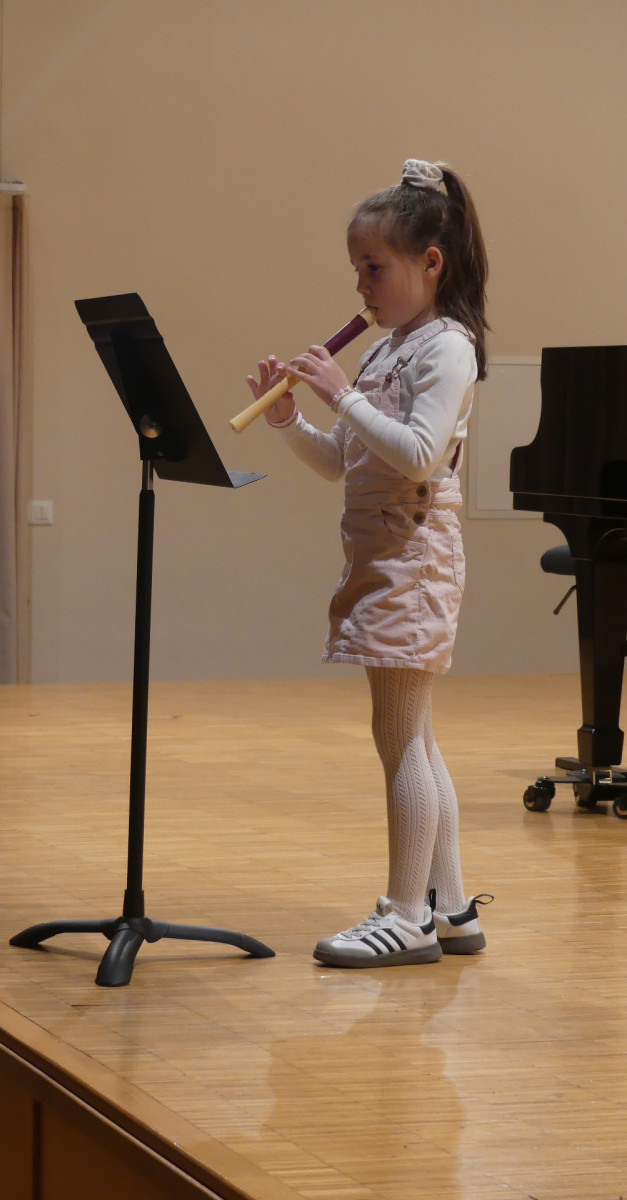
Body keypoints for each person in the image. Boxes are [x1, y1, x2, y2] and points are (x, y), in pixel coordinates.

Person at [246, 158, 492, 968]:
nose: (360, 285)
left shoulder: (446, 348)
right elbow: (346, 462)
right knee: (414, 735)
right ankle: (450, 909)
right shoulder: (390, 348)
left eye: (373, 267)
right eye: (356, 268)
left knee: (398, 737)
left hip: (413, 556)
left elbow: (418, 454)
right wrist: (290, 421)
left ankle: (406, 915)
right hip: (383, 551)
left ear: (431, 264)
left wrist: (339, 394)